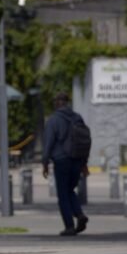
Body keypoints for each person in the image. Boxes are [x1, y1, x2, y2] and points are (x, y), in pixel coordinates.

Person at [42, 93, 89, 236]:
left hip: (62, 161)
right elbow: (84, 140)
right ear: (67, 103)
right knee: (70, 190)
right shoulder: (77, 117)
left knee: (63, 194)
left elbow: (48, 143)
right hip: (78, 159)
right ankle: (79, 215)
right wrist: (84, 163)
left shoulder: (53, 120)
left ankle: (69, 226)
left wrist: (45, 162)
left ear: (57, 103)